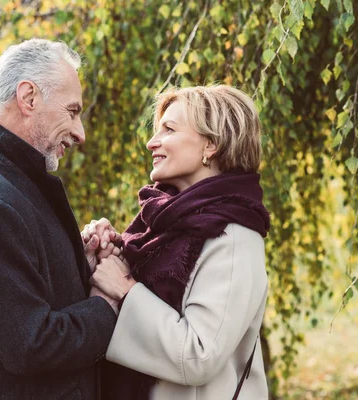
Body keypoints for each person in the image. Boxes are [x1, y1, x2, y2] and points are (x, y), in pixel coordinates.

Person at [0, 39, 120, 399]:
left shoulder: (11, 181)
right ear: (28, 97)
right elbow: (31, 342)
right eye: (73, 111)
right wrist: (107, 304)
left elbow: (22, 293)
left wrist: (82, 265)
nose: (81, 133)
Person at [83, 85, 271, 399]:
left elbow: (199, 356)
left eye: (169, 130)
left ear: (211, 145)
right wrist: (101, 258)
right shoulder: (162, 224)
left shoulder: (235, 238)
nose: (151, 142)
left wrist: (126, 287)